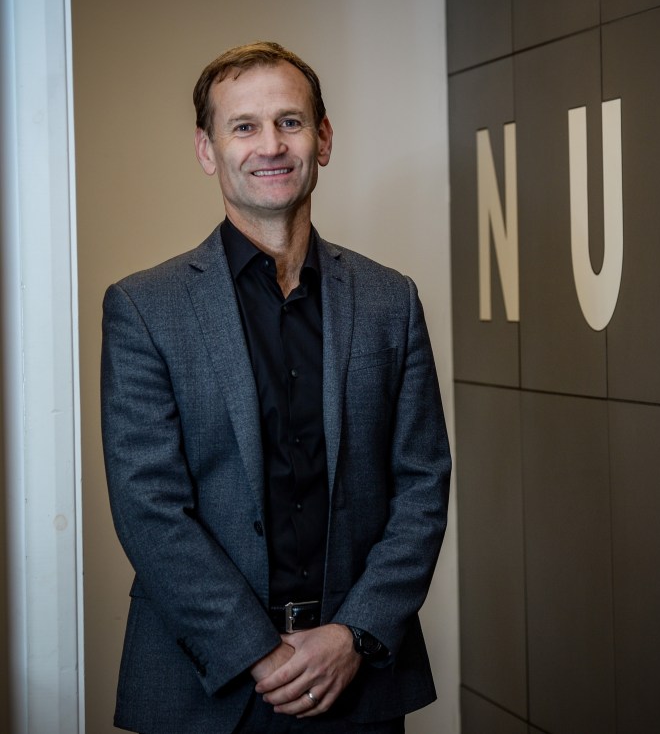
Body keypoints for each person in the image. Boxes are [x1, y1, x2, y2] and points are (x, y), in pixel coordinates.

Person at [100, 41, 451, 734]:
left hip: (357, 677)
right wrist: (256, 652)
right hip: (204, 686)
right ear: (207, 150)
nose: (271, 145)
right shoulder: (145, 308)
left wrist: (353, 633)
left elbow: (422, 486)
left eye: (290, 122)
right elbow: (150, 510)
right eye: (245, 126)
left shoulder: (390, 301)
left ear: (323, 139)